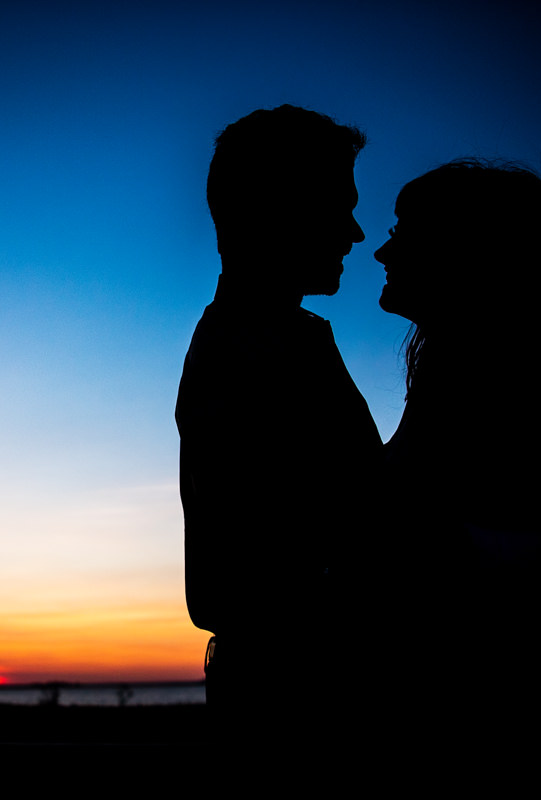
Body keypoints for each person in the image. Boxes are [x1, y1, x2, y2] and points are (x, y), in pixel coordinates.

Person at [373, 158, 541, 710]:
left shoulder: (487, 377)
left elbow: (477, 555)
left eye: (402, 234)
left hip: (498, 679)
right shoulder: (457, 370)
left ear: (461, 251)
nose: (383, 253)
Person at [176, 105, 381, 737]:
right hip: (296, 712)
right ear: (279, 209)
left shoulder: (285, 338)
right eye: (337, 205)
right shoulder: (246, 348)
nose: (354, 232)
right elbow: (222, 588)